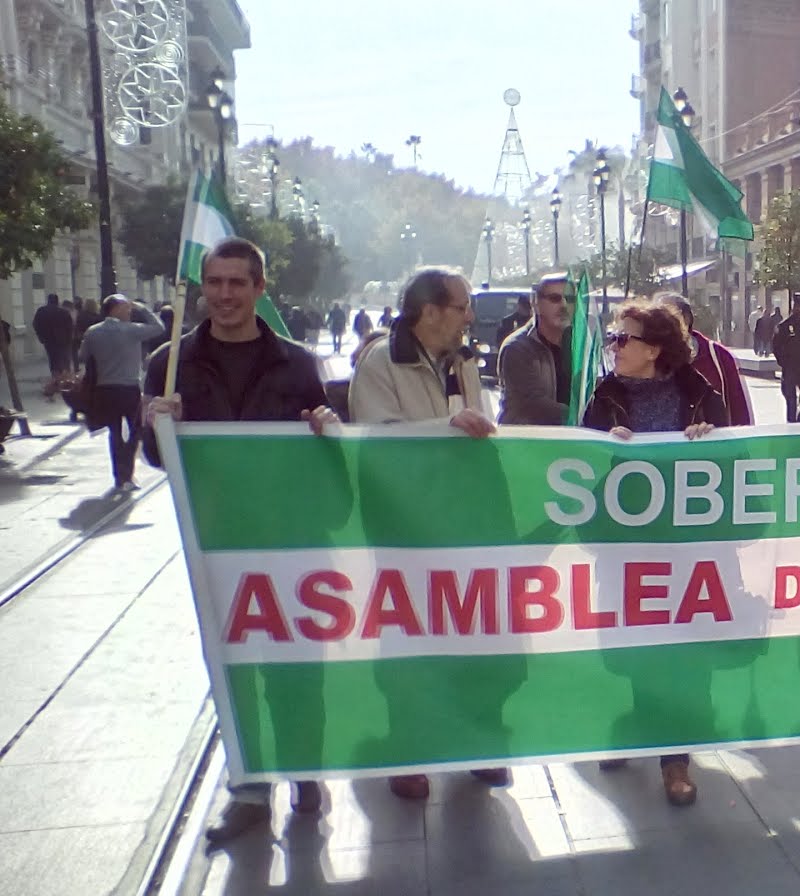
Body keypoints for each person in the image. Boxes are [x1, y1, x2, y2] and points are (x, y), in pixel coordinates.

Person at [141, 237, 339, 845]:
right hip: (218, 537)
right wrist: (157, 429)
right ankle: (250, 786)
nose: (224, 294)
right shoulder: (168, 364)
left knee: (297, 662)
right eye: (215, 282)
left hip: (289, 535)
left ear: (258, 289)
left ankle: (305, 767)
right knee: (233, 663)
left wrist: (328, 428)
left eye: (237, 283)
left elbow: (326, 454)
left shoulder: (298, 363)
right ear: (204, 287)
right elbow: (157, 460)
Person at [348, 267, 511, 800]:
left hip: (462, 520)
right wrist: (449, 428)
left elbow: (478, 433)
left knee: (471, 631)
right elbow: (377, 440)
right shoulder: (379, 363)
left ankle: (474, 742)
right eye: (463, 306)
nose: (471, 315)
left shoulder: (463, 361)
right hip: (404, 524)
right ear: (431, 312)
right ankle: (409, 749)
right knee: (409, 636)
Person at [582, 298, 728, 806]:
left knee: (682, 652)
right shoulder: (604, 397)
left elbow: (737, 465)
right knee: (630, 648)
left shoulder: (701, 395)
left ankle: (675, 759)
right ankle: (634, 723)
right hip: (626, 551)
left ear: (656, 350)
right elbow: (576, 472)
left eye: (624, 339)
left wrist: (714, 444)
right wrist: (602, 449)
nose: (614, 348)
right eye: (612, 338)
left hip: (687, 550)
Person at [79, 296, 167, 492]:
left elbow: (82, 356)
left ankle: (119, 475)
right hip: (129, 388)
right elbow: (159, 327)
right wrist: (143, 308)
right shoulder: (132, 330)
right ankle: (128, 473)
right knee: (135, 432)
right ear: (115, 309)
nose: (129, 312)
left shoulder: (93, 332)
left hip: (105, 389)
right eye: (126, 308)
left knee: (115, 431)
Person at [656, 292, 754, 425]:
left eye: (666, 316)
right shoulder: (648, 358)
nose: (658, 324)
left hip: (713, 443)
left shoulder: (718, 356)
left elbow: (739, 411)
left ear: (686, 319)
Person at [497, 275, 573, 426]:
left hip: (569, 440)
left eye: (570, 298)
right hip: (527, 441)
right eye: (555, 298)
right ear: (535, 303)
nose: (564, 305)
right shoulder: (517, 347)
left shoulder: (579, 345)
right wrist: (582, 415)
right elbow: (532, 404)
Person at [772, 294, 800, 422]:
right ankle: (792, 426)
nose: (799, 309)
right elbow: (776, 346)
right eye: (797, 306)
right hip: (790, 368)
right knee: (791, 401)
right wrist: (784, 363)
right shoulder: (784, 326)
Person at [31, 294, 75, 397]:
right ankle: (64, 382)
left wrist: (41, 336)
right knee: (64, 361)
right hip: (63, 341)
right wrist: (69, 339)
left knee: (53, 360)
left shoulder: (41, 311)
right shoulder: (63, 312)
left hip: (49, 341)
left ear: (48, 300)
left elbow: (36, 324)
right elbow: (70, 326)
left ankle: (56, 381)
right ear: (57, 301)